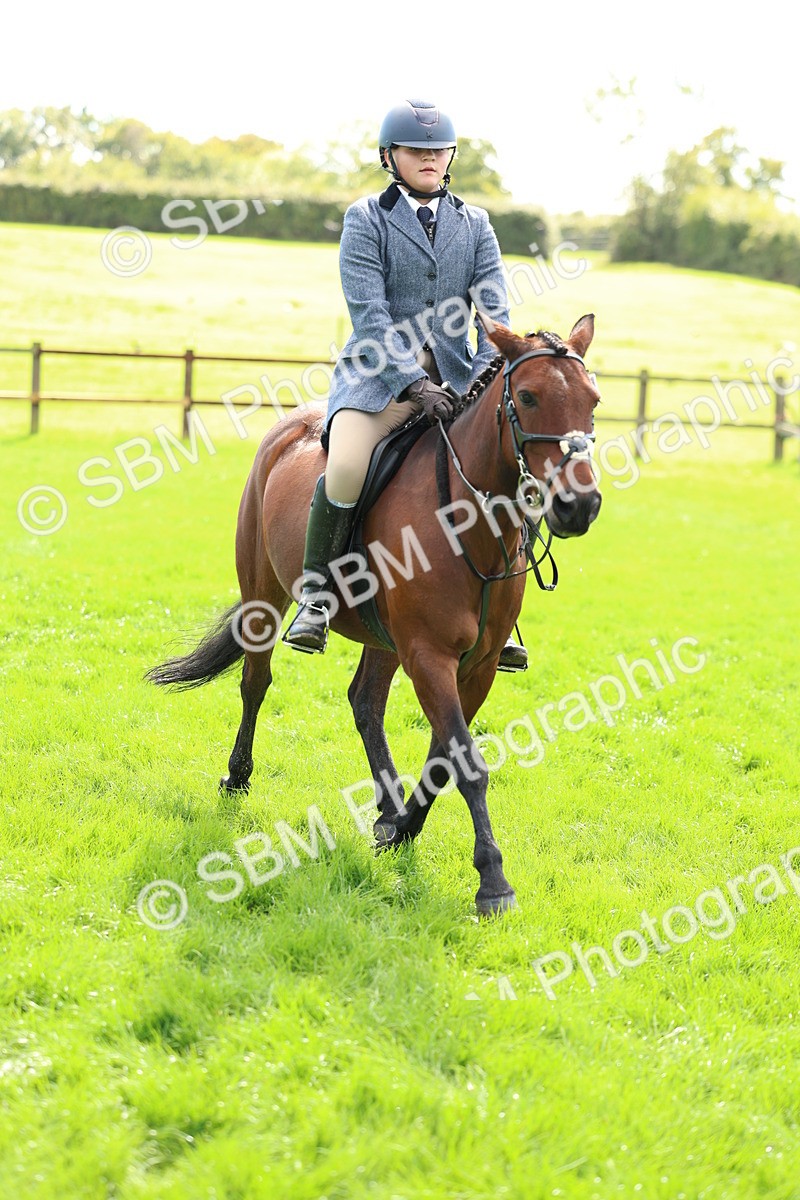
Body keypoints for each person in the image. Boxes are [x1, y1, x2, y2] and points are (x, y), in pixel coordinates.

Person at [283, 99, 528, 671]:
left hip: (460, 383)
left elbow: (493, 308)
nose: (428, 159)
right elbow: (368, 315)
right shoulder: (365, 219)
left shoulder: (476, 224)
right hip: (379, 382)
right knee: (344, 464)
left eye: (438, 151)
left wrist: (494, 368)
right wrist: (414, 384)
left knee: (514, 466)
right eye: (416, 151)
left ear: (450, 159)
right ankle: (318, 598)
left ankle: (508, 616)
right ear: (390, 157)